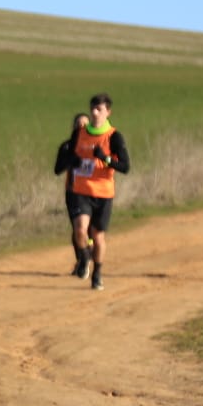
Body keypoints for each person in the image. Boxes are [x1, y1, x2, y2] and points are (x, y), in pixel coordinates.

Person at [69, 93, 130, 291]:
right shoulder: (80, 133)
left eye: (99, 110)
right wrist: (75, 161)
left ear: (107, 112)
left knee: (98, 237)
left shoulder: (113, 136)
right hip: (81, 190)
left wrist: (106, 158)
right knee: (80, 229)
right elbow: (69, 155)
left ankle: (97, 272)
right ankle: (85, 256)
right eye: (92, 109)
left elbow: (125, 167)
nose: (95, 113)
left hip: (104, 193)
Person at [53, 112, 92, 276]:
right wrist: (70, 160)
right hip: (73, 192)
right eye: (78, 124)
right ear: (73, 127)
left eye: (85, 124)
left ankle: (87, 258)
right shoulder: (67, 146)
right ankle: (82, 260)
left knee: (90, 230)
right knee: (78, 230)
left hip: (93, 192)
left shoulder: (94, 145)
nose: (81, 127)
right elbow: (57, 170)